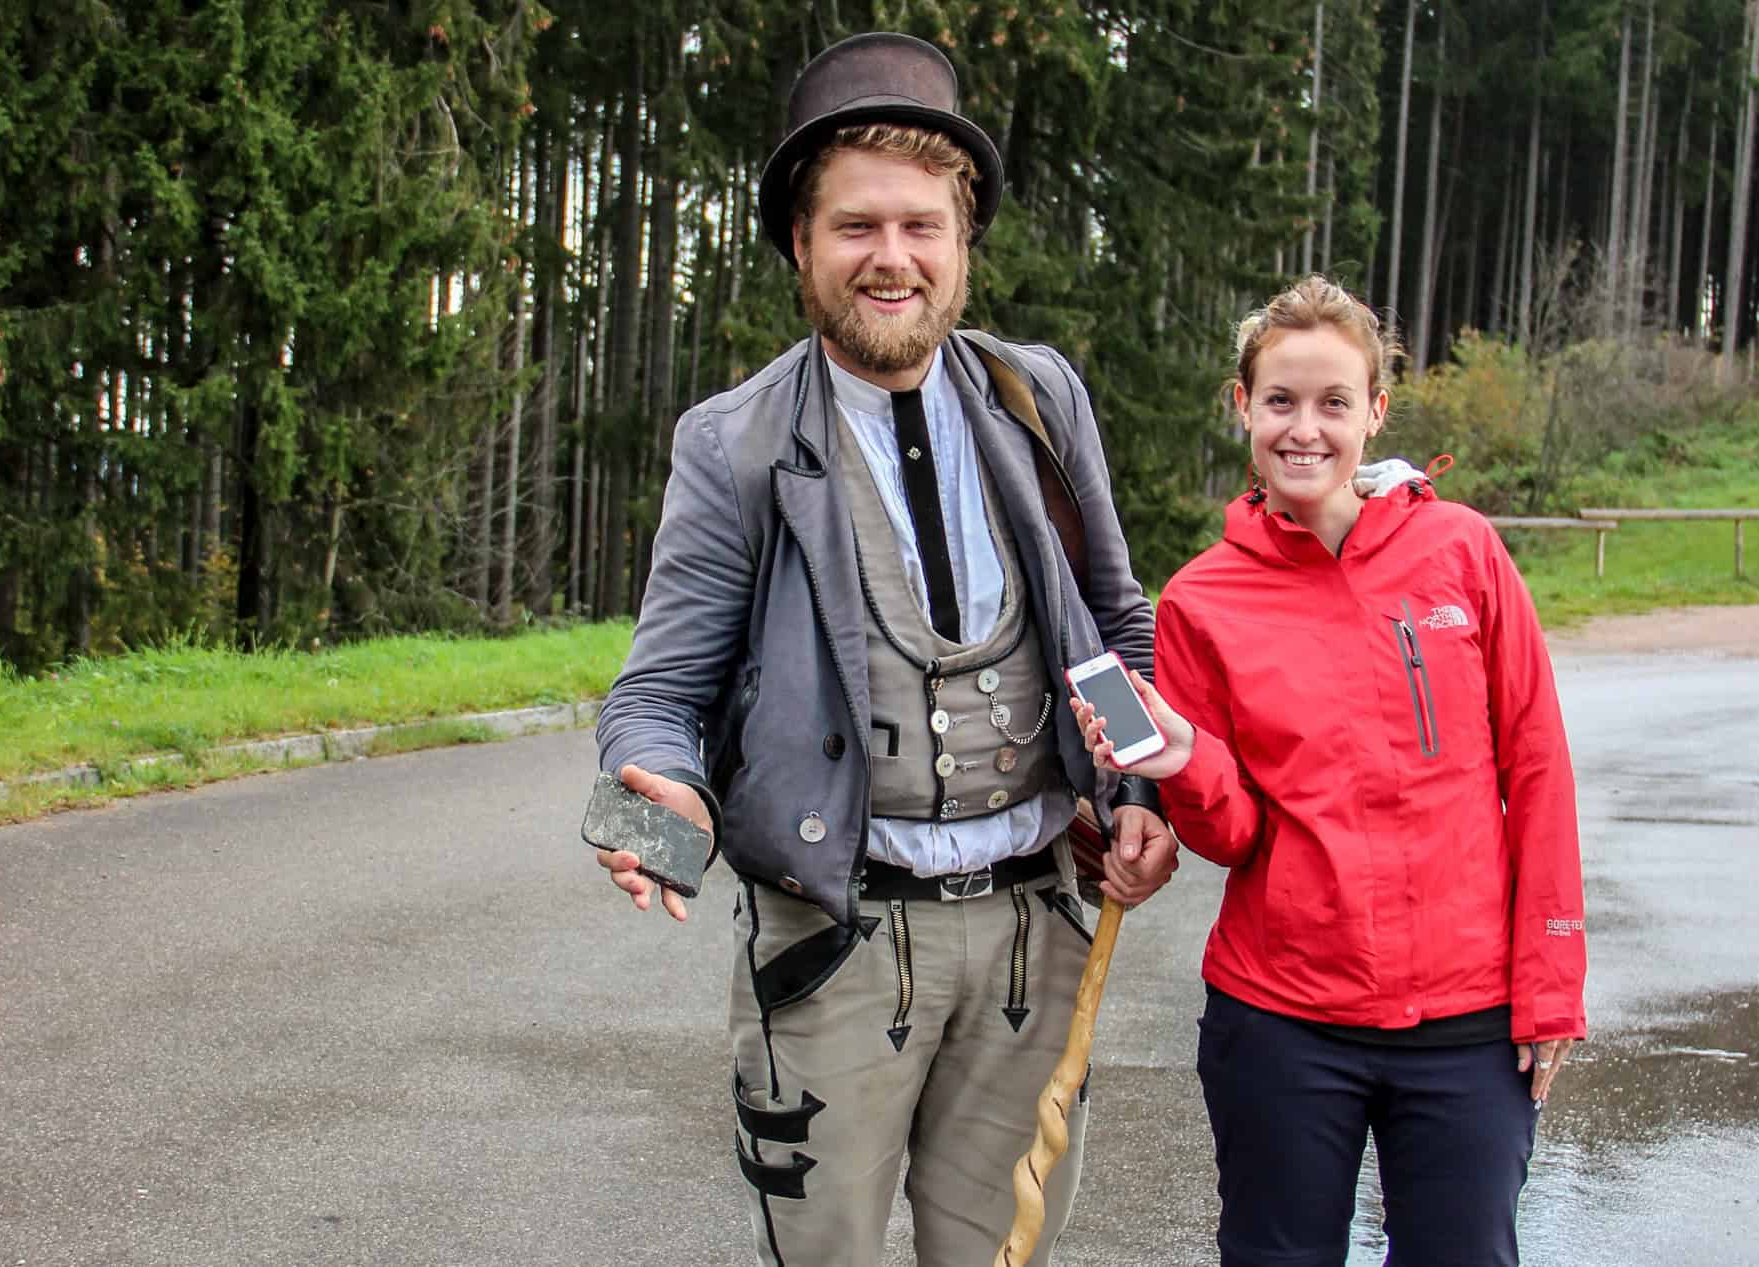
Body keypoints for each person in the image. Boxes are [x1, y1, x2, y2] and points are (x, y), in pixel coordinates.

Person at [590, 31, 1179, 1267]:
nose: (891, 257)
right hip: (834, 946)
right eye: (856, 226)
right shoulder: (733, 444)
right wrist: (657, 791)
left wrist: (1131, 789)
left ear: (963, 244)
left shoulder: (1041, 400)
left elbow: (1118, 625)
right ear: (800, 246)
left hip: (1034, 930)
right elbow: (658, 694)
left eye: (922, 225)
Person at [1072, 275, 1587, 1267]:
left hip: (1467, 1019)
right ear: (1241, 407)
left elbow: (1538, 770)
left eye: (1333, 403)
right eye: (1279, 402)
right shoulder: (1199, 600)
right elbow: (1234, 836)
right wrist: (1182, 761)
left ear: (1375, 413)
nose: (1304, 429)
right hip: (1281, 1019)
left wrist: (1551, 982)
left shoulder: (1462, 551)